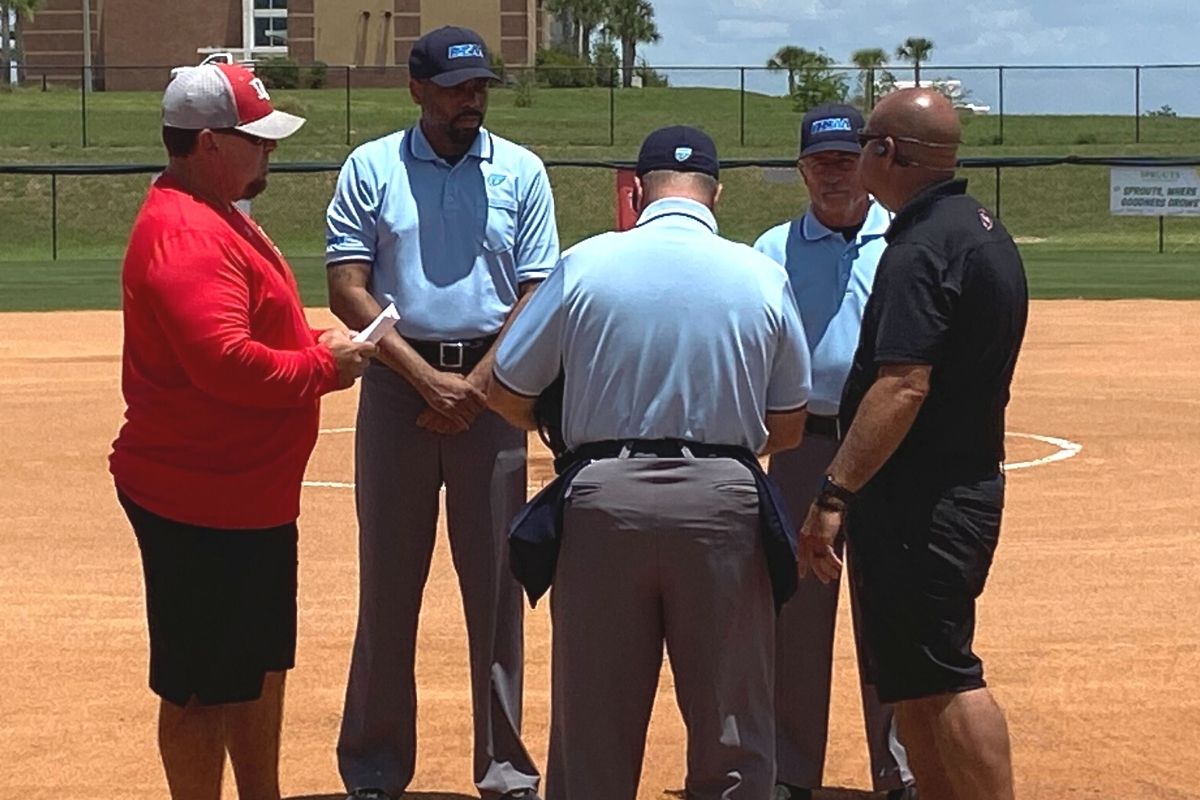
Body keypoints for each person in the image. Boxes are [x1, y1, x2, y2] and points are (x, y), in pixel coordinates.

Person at [490, 125, 813, 800]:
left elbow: (507, 389)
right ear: (715, 194)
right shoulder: (761, 273)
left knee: (593, 729)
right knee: (732, 726)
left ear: (636, 192)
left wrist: (568, 433)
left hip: (605, 495)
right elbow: (786, 425)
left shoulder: (586, 263)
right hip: (724, 496)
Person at [110, 63, 375, 800]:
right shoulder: (187, 233)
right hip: (197, 497)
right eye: (255, 139)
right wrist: (325, 367)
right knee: (200, 688)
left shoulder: (218, 212)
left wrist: (310, 344)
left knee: (258, 668)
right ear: (206, 143)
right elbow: (224, 364)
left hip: (244, 494)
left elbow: (250, 333)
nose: (269, 153)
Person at [325, 25, 559, 800]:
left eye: (481, 86)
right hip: (399, 388)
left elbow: (535, 293)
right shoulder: (373, 167)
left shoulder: (521, 170)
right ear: (418, 89)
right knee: (388, 585)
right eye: (458, 87)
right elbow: (348, 286)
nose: (473, 99)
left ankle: (504, 772)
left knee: (497, 591)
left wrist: (479, 385)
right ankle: (374, 769)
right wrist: (425, 378)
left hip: (493, 395)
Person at [798, 88, 1028, 800]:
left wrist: (833, 494)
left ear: (887, 153)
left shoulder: (921, 248)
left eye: (866, 141)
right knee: (916, 680)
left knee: (945, 674)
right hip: (951, 484)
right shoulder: (978, 228)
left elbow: (903, 386)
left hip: (925, 501)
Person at [754, 104, 914, 800]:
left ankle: (900, 770)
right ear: (802, 170)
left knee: (890, 613)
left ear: (870, 164)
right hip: (801, 444)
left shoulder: (903, 243)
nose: (834, 175)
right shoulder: (769, 250)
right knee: (796, 619)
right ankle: (792, 772)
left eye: (846, 160)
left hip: (885, 451)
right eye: (820, 162)